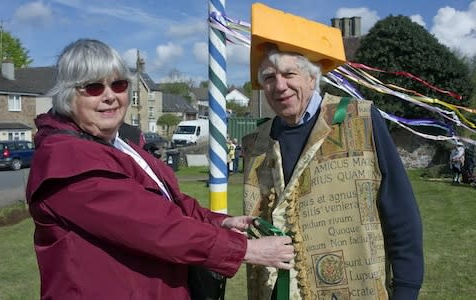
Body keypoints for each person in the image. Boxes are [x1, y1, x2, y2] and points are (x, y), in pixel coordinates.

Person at [25, 39, 294, 299]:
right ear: (68, 95)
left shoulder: (120, 145)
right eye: (94, 87)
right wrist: (244, 250)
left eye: (118, 85)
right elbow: (155, 226)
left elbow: (167, 201)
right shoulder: (68, 160)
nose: (110, 96)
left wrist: (219, 221)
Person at [242, 4, 423, 300]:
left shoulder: (360, 119)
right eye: (269, 78)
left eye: (289, 74)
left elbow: (400, 211)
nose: (279, 86)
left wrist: (406, 289)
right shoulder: (257, 142)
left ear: (313, 78)